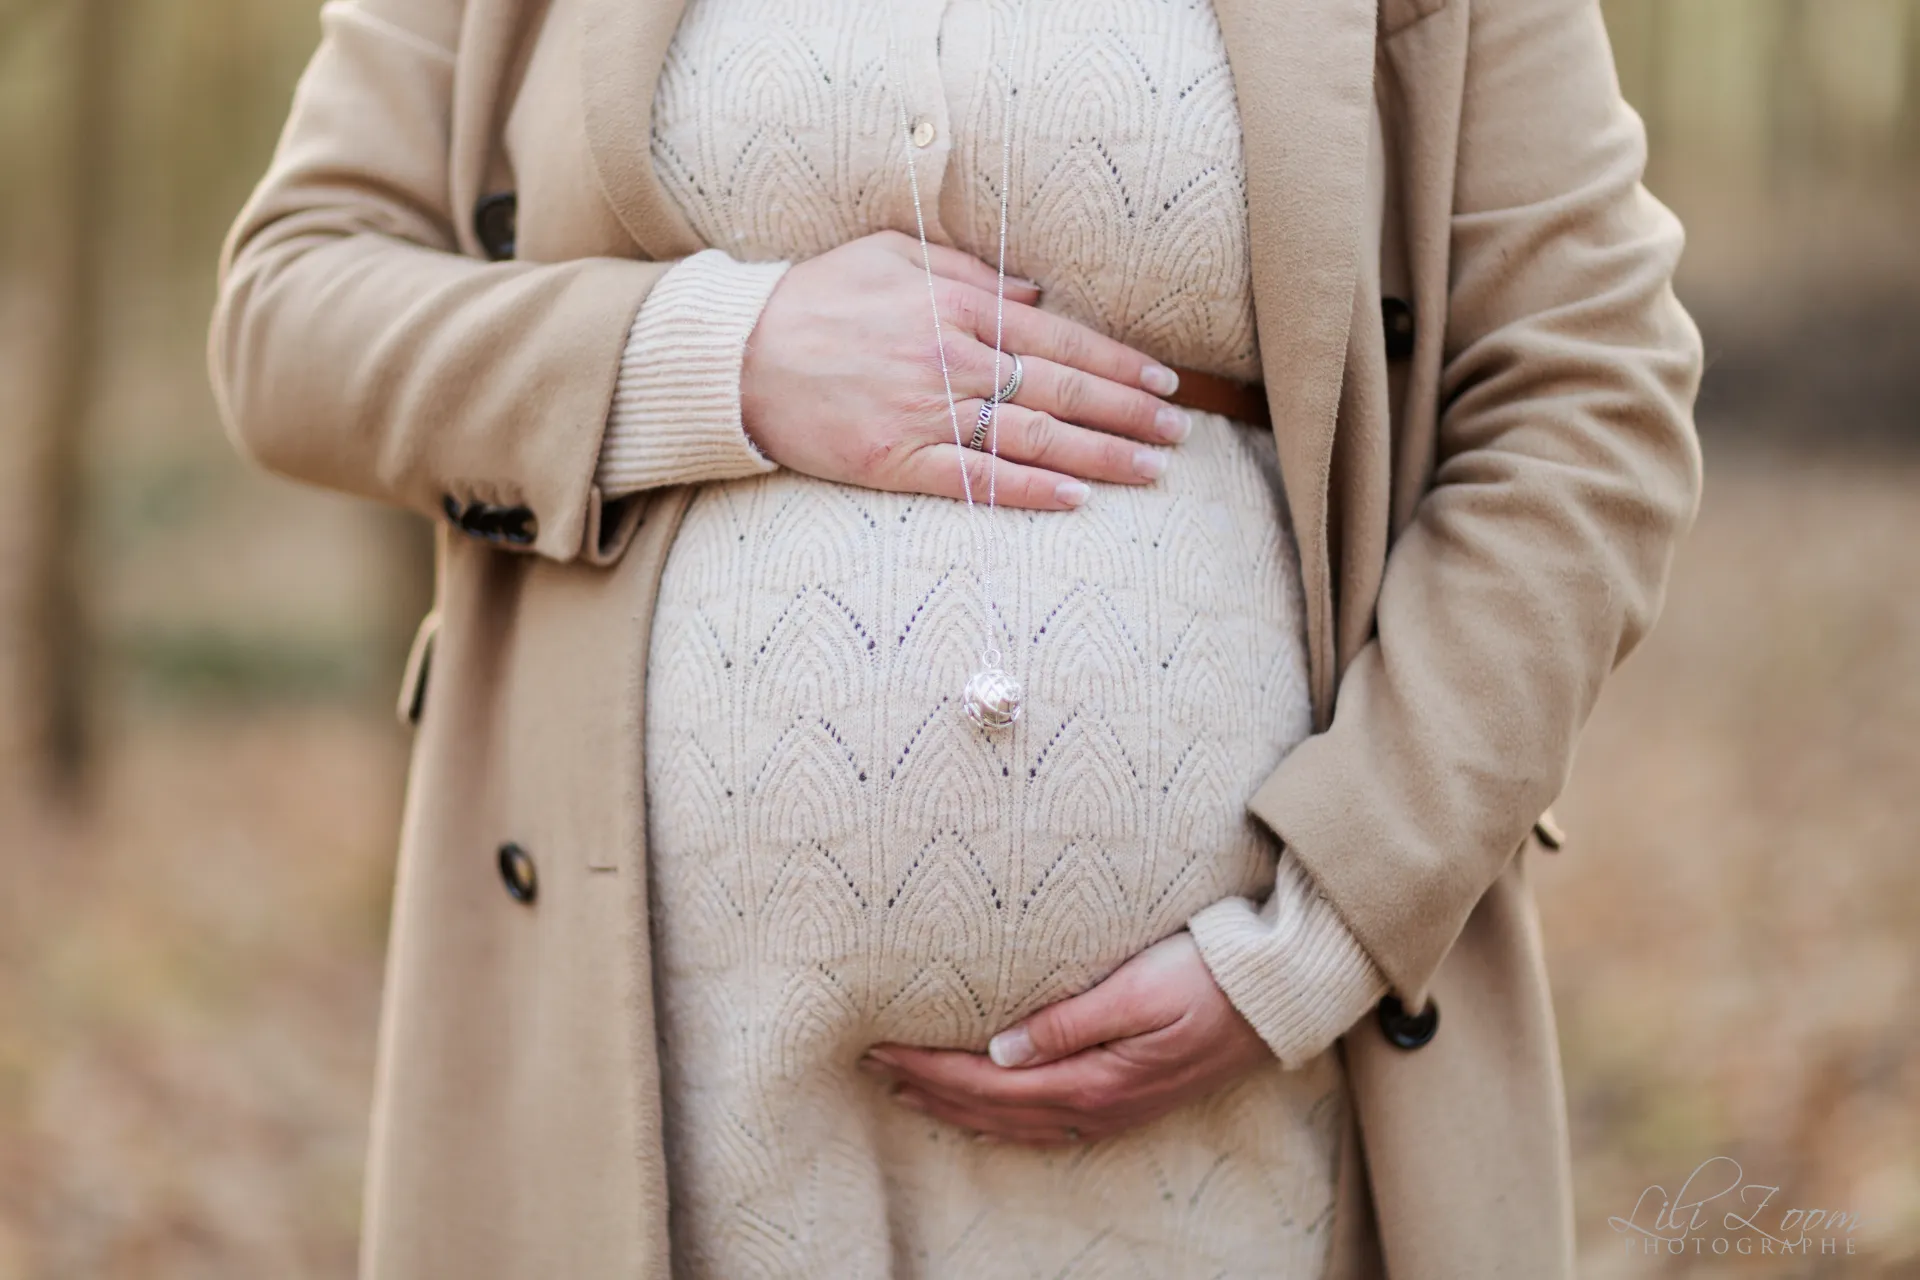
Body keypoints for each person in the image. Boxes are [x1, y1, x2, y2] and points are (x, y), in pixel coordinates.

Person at [208, 0, 1704, 1276]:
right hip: (656, 1075)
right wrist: (723, 352)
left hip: (1260, 1094)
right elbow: (288, 312)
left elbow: (1589, 397)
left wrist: (1322, 937)